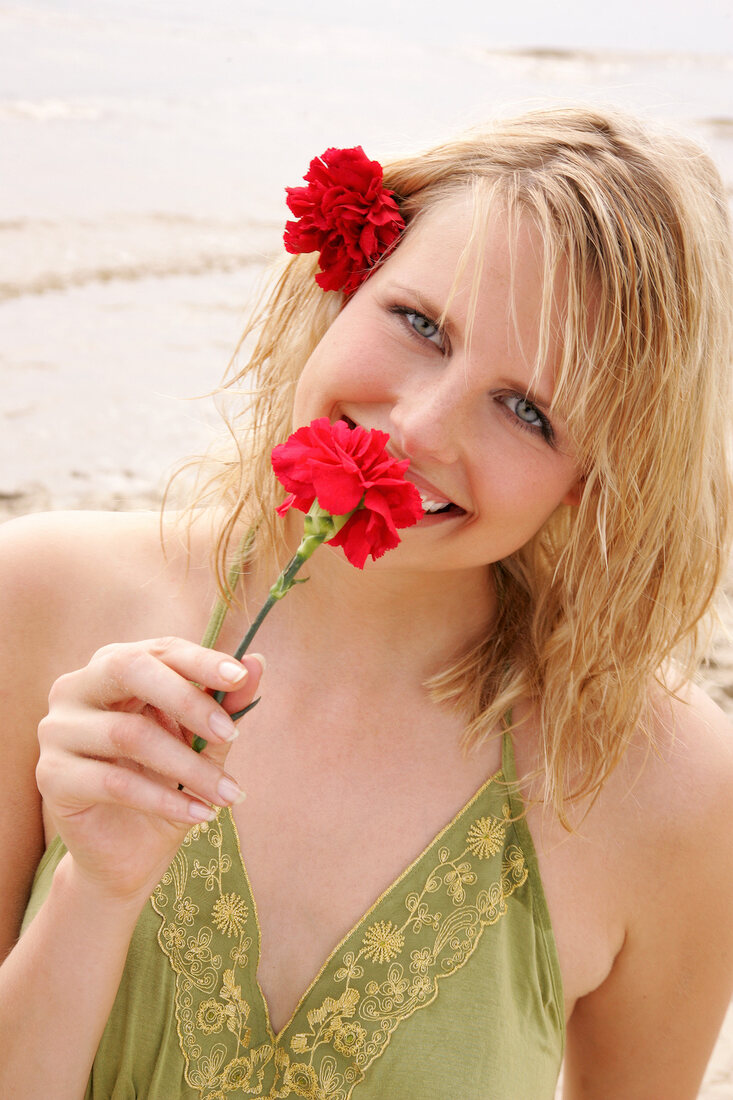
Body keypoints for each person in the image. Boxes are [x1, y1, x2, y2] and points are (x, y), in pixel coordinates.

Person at [1, 106, 732, 1100]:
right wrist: (97, 886)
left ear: (591, 482)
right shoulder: (38, 597)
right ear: (347, 281)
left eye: (527, 409)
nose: (418, 428)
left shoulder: (676, 788)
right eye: (421, 324)